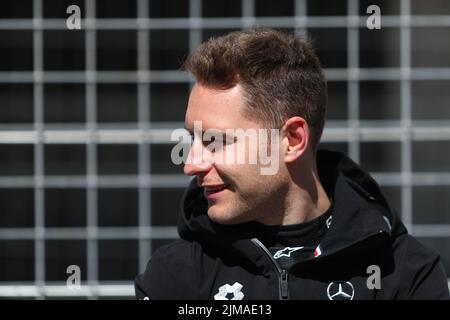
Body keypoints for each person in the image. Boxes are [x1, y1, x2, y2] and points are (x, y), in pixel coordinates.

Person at [135, 28, 450, 300]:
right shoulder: (178, 276)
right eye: (193, 139)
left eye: (216, 141)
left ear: (293, 140)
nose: (191, 164)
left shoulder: (405, 276)